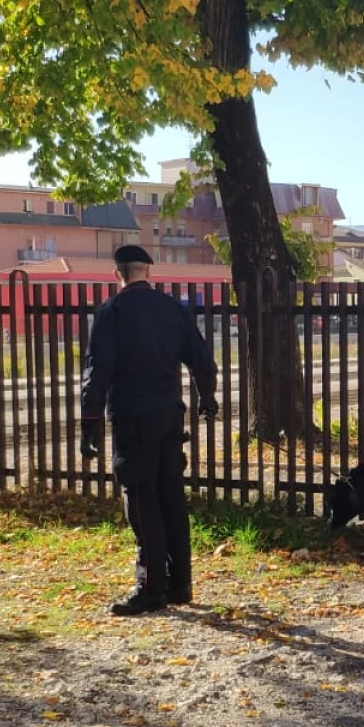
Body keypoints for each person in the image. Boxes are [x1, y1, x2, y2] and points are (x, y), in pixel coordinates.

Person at [80, 245, 220, 616]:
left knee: (141, 500)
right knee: (171, 496)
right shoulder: (173, 309)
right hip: (168, 416)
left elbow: (97, 374)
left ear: (118, 274)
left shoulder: (113, 312)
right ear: (149, 272)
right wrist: (208, 397)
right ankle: (180, 584)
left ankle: (150, 587)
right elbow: (202, 359)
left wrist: (89, 425)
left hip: (131, 417)